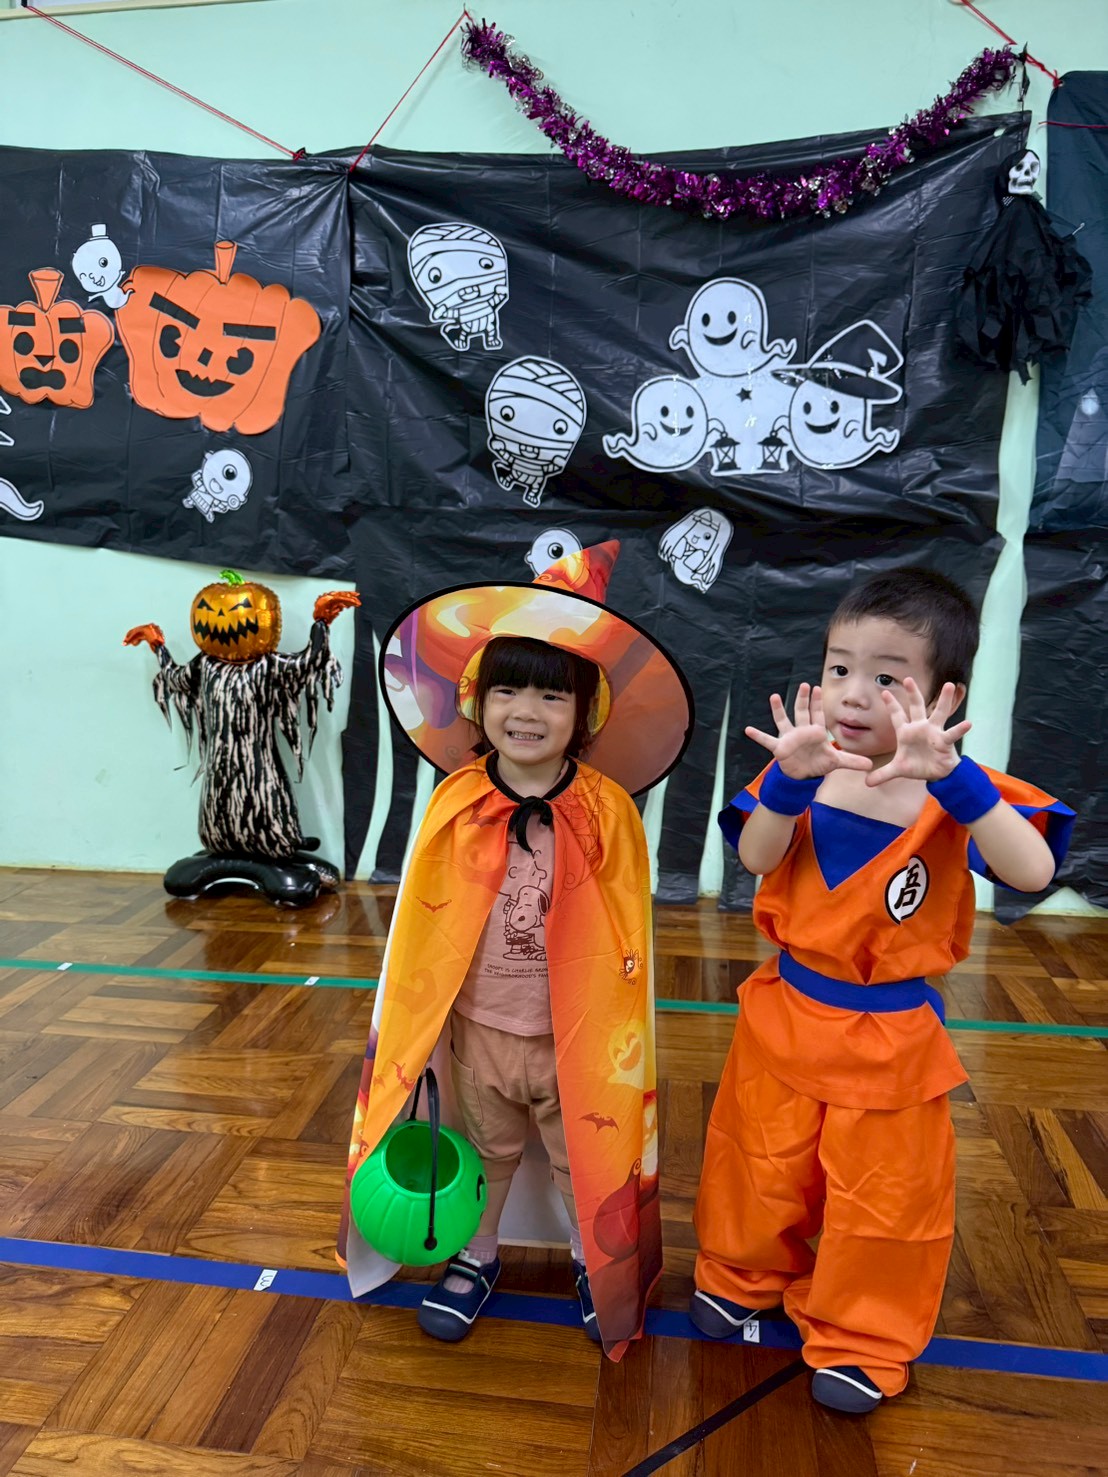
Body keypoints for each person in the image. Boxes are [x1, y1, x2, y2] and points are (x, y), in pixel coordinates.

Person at [690, 568, 1074, 1413]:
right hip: (785, 1019)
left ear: (941, 694)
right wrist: (785, 784)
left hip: (891, 1043)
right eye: (838, 667)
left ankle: (862, 1335)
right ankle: (741, 1274)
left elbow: (1032, 870)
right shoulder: (803, 768)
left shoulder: (955, 791)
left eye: (886, 675)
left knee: (885, 1198)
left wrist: (960, 785)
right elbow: (755, 857)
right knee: (758, 1162)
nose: (853, 692)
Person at [338, 541, 693, 1360]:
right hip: (482, 1030)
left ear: (585, 710)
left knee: (584, 1159)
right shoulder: (458, 801)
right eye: (507, 689)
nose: (526, 711)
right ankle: (477, 1254)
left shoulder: (608, 811)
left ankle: (592, 1262)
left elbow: (625, 934)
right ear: (476, 698)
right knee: (485, 1151)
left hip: (578, 1040)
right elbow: (424, 930)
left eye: (550, 693)